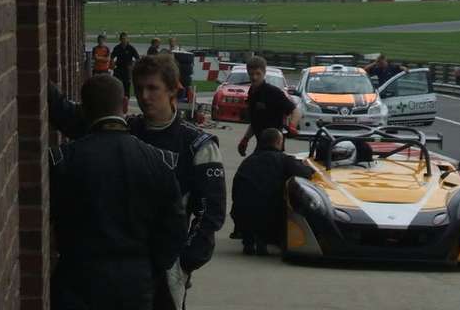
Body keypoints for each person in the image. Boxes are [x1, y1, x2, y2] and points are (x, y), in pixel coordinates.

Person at [48, 54, 226, 310]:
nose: (144, 96)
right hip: (117, 270)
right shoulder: (124, 128)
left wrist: (186, 263)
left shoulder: (197, 144)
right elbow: (67, 114)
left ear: (173, 90)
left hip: (167, 269)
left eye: (153, 88)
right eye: (139, 88)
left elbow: (210, 213)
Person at [230, 127, 314, 256]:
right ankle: (262, 241)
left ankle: (249, 241)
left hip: (241, 212)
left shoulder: (248, 161)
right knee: (277, 203)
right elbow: (306, 174)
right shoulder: (283, 159)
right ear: (277, 143)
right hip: (268, 212)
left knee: (252, 201)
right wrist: (309, 168)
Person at [237, 56, 302, 157]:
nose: (254, 77)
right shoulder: (252, 93)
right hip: (261, 143)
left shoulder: (273, 92)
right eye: (251, 74)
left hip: (274, 145)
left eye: (258, 73)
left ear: (264, 72)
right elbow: (256, 121)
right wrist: (245, 139)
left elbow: (296, 111)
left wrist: (292, 126)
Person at [111, 31, 140, 97]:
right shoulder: (117, 48)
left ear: (127, 39)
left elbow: (137, 58)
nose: (123, 40)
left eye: (125, 38)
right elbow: (112, 57)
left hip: (127, 68)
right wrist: (112, 66)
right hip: (118, 68)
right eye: (122, 39)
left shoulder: (130, 48)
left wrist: (133, 63)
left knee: (126, 84)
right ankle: (116, 96)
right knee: (115, 83)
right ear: (120, 39)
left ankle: (126, 98)